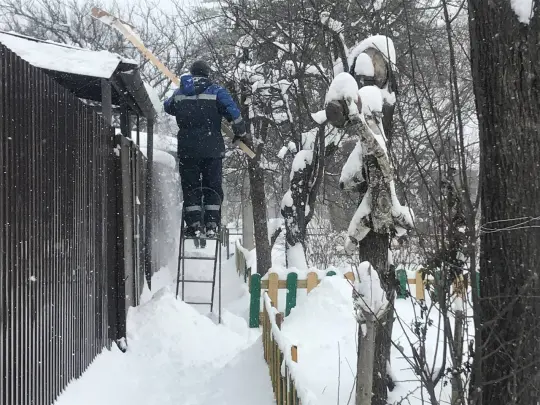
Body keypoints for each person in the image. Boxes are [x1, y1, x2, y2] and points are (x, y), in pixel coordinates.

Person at [164, 60, 247, 238]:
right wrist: (240, 131)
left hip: (187, 149)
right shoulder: (216, 91)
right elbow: (233, 112)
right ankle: (211, 224)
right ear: (207, 74)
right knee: (213, 185)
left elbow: (168, 107)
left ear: (192, 74)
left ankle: (194, 224)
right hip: (212, 148)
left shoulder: (180, 93)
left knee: (190, 186)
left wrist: (186, 104)